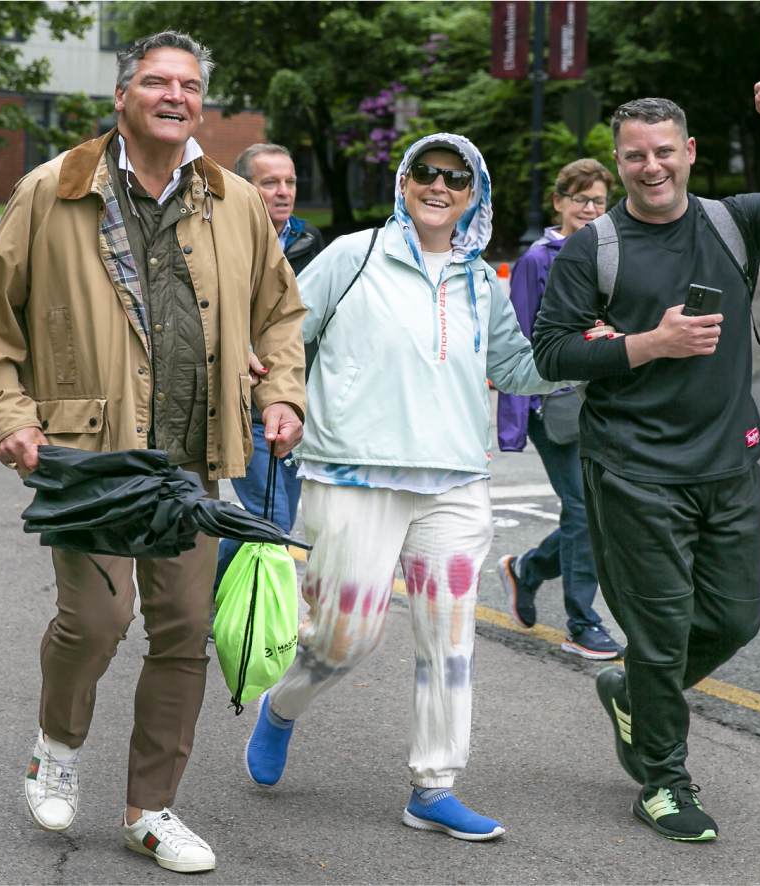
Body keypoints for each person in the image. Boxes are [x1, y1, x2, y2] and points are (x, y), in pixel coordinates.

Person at [0, 30, 307, 873]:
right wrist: (8, 413)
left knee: (185, 629)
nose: (174, 96)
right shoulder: (54, 190)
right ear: (122, 96)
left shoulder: (230, 199)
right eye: (156, 82)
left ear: (202, 103)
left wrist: (280, 394)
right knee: (97, 619)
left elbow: (278, 315)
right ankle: (58, 745)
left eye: (189, 85)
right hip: (91, 455)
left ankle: (150, 809)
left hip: (192, 456)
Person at [532, 76, 760, 842]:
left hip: (728, 462)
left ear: (688, 152)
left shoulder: (734, 222)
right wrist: (650, 343)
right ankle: (662, 780)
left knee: (734, 619)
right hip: (635, 470)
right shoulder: (593, 250)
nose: (650, 168)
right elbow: (551, 352)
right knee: (660, 635)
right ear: (617, 164)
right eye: (633, 157)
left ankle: (634, 694)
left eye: (663, 152)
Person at [242, 133, 571, 842]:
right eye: (426, 172)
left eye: (456, 178)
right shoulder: (352, 257)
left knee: (449, 640)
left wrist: (592, 358)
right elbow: (282, 338)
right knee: (344, 638)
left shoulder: (481, 280)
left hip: (453, 482)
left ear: (472, 195)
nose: (439, 185)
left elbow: (515, 367)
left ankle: (433, 785)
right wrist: (282, 402)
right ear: (403, 181)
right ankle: (282, 708)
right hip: (352, 473)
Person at [495, 159, 624, 660]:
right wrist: (515, 420)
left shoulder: (613, 251)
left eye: (598, 201)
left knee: (595, 510)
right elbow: (520, 343)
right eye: (580, 200)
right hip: (555, 406)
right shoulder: (537, 260)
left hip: (604, 399)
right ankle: (582, 622)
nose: (589, 210)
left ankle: (526, 570)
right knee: (584, 509)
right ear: (559, 203)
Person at [213, 143, 325, 590]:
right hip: (242, 402)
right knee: (270, 518)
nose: (284, 192)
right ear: (244, 187)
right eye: (270, 182)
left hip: (292, 403)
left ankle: (220, 600)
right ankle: (206, 602)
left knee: (275, 517)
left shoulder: (309, 241)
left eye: (291, 181)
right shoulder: (219, 237)